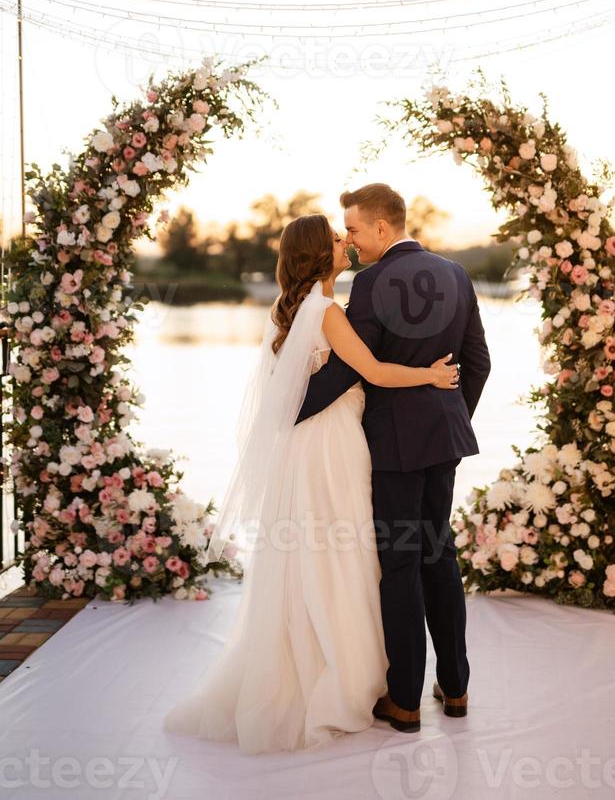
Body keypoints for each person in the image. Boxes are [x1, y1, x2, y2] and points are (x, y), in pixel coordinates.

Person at [163, 212, 459, 754]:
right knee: (344, 554)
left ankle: (321, 664)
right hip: (332, 448)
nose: (347, 242)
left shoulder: (291, 309)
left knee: (315, 553)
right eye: (336, 238)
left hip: (306, 449)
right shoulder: (327, 312)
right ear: (321, 255)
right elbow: (373, 371)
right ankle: (343, 678)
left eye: (348, 234)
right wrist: (432, 375)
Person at [296, 183, 491, 732]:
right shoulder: (457, 273)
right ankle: (455, 689)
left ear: (383, 227)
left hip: (393, 447)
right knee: (440, 555)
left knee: (400, 564)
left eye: (353, 229)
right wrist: (451, 421)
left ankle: (404, 700)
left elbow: (348, 368)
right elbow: (478, 362)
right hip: (444, 442)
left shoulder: (374, 281)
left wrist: (288, 412)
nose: (350, 242)